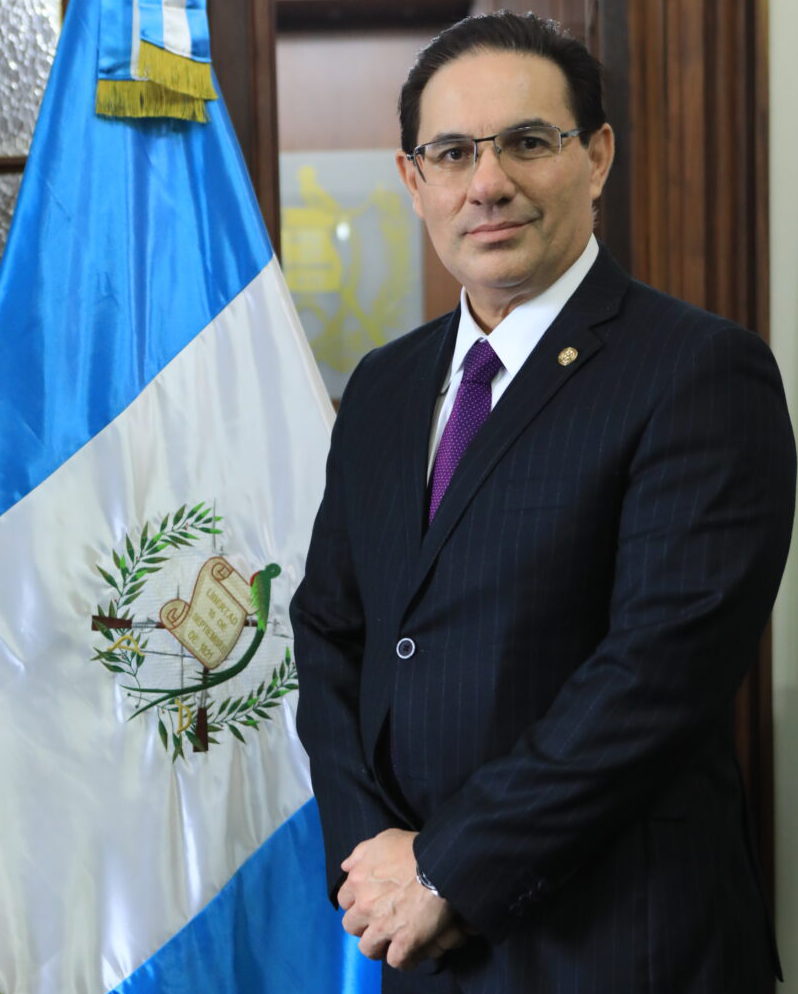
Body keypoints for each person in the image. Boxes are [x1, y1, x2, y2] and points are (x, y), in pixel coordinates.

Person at [289, 11, 796, 994]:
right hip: (416, 942)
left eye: (526, 142)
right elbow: (330, 631)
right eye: (452, 153)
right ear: (413, 180)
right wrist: (372, 861)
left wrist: (446, 870)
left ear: (596, 157)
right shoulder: (385, 386)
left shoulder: (700, 372)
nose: (487, 183)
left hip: (621, 949)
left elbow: (654, 678)